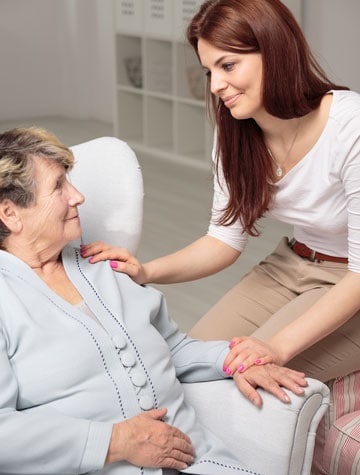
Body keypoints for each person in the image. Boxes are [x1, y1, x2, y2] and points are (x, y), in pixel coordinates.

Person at [0, 126, 327, 475]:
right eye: (59, 186)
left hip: (188, 459)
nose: (78, 196)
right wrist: (114, 441)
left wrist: (233, 360)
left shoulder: (100, 264)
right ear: (10, 213)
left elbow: (169, 346)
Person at [82, 0, 360, 390]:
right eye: (209, 70)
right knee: (187, 368)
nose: (215, 86)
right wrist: (146, 271)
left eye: (228, 65)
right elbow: (224, 240)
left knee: (238, 380)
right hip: (291, 264)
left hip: (352, 279)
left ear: (276, 52)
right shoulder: (236, 134)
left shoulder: (351, 126)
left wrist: (274, 348)